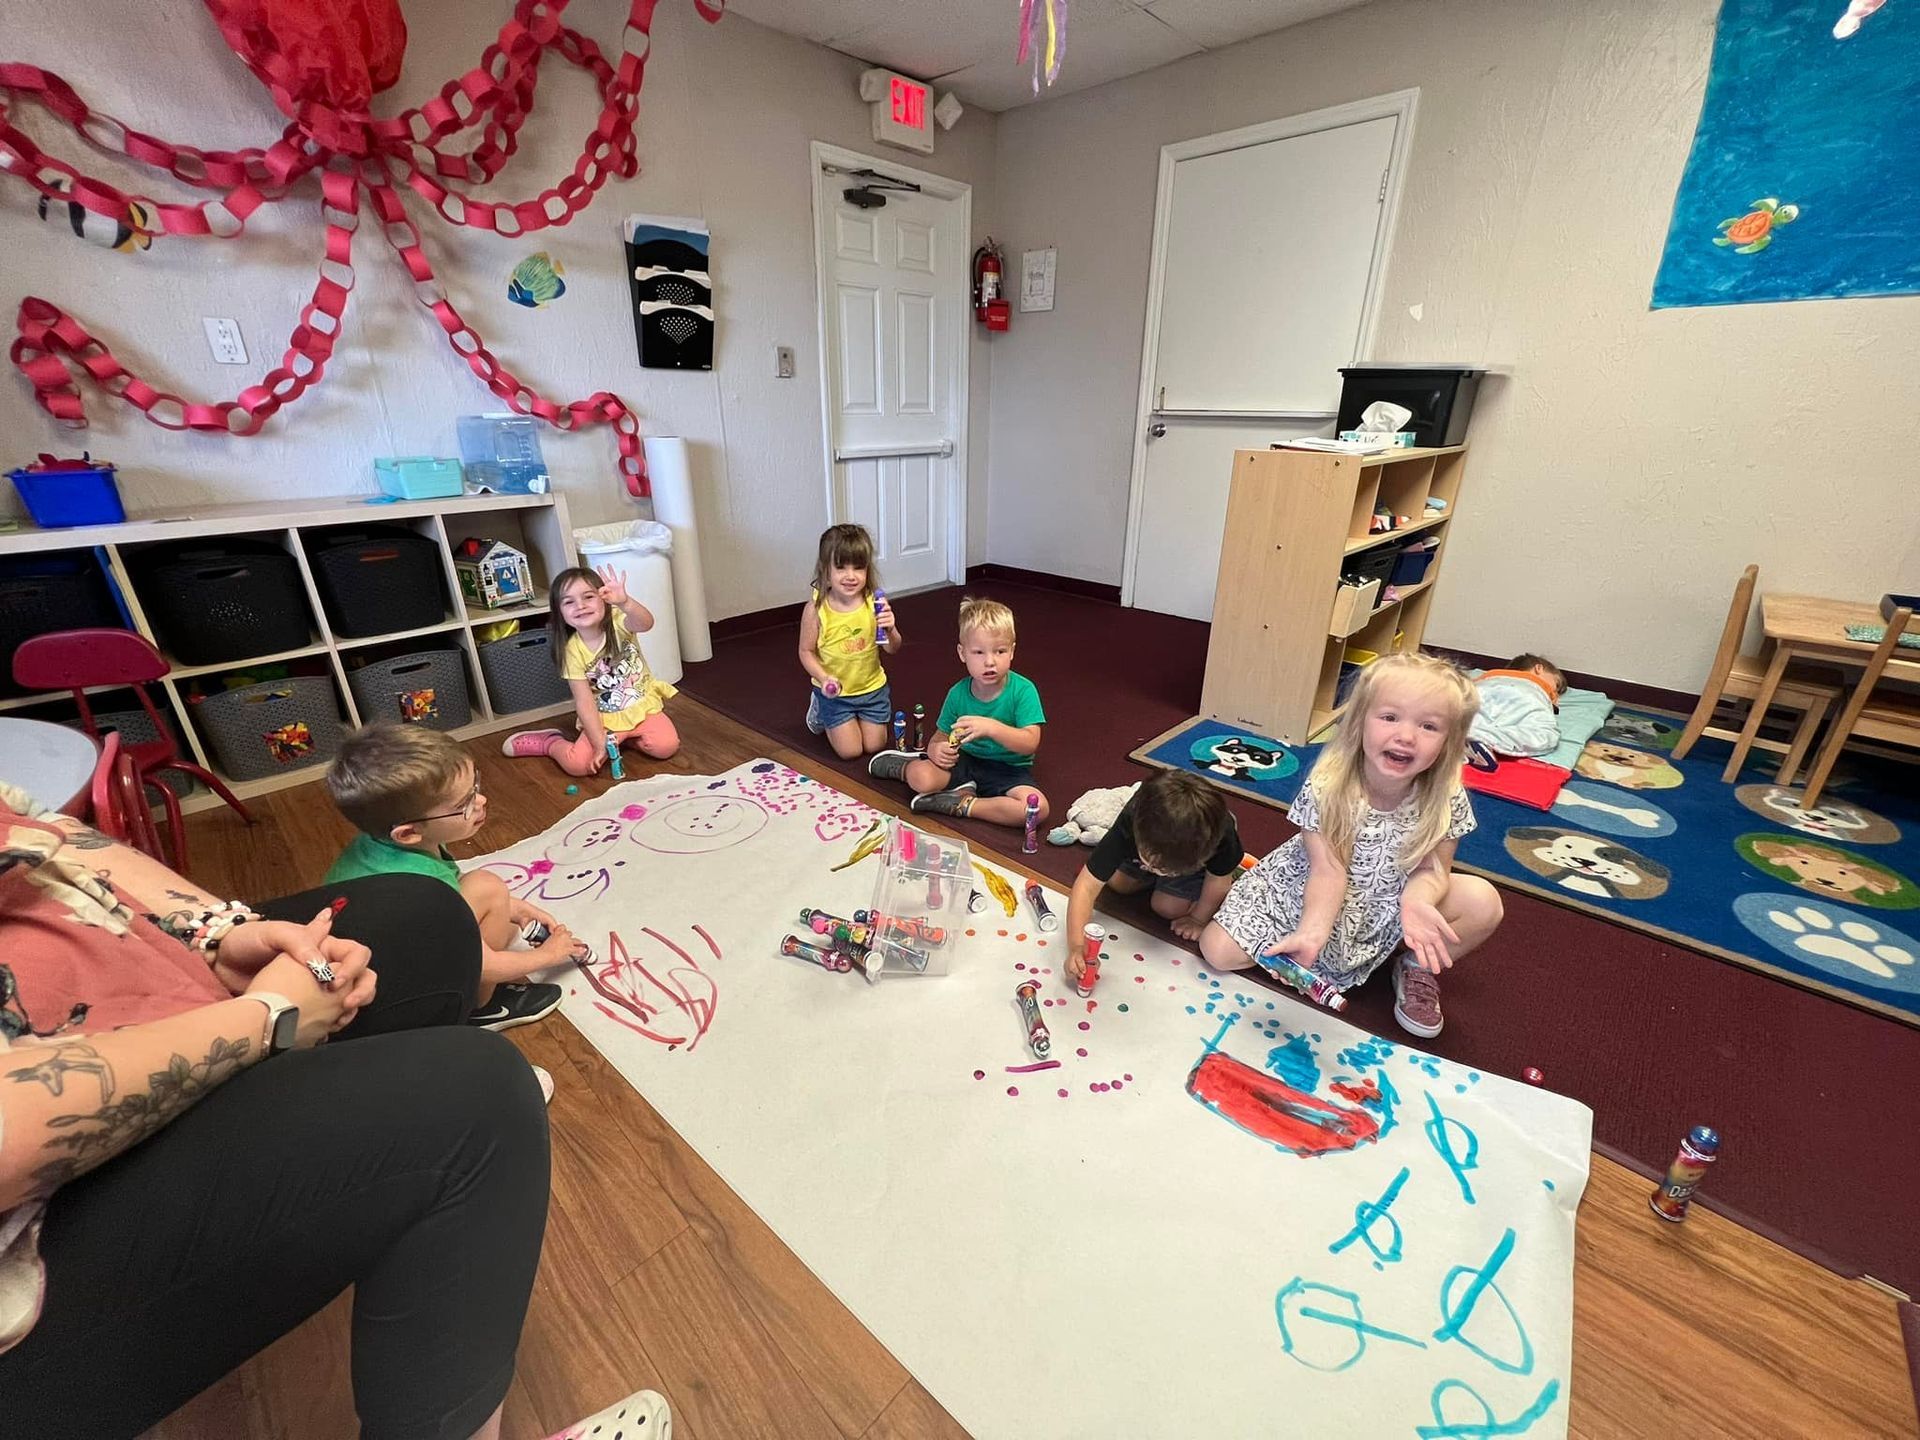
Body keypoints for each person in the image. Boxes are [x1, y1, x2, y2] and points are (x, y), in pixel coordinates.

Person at [0, 780, 572, 1438]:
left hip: (141, 1015)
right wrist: (262, 1020)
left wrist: (223, 936)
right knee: (479, 1099)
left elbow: (47, 831)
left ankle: (392, 1206)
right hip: (34, 1228)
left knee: (427, 915)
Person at [1199, 652, 1504, 1037]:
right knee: (1217, 951)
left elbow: (1434, 868)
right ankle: (1307, 948)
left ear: (1450, 741)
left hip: (1392, 898)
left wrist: (1418, 900)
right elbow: (1329, 871)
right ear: (1360, 721)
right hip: (1310, 893)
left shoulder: (1446, 796)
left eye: (1429, 726)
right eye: (1390, 717)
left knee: (1484, 902)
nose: (1406, 736)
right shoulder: (1329, 787)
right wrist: (1313, 930)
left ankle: (1413, 968)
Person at [325, 724, 577, 1031]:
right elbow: (487, 965)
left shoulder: (381, 841)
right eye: (465, 804)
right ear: (408, 833)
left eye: (476, 786)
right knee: (487, 888)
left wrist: (518, 909)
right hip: (401, 1002)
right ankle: (478, 1009)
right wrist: (549, 956)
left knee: (493, 901)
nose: (482, 801)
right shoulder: (423, 887)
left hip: (375, 966)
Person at [867, 596, 1049, 828]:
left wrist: (992, 728)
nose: (990, 662)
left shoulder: (1023, 690)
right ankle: (903, 766)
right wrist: (936, 751)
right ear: (962, 654)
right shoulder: (958, 693)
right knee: (922, 778)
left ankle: (963, 804)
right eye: (979, 653)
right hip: (964, 759)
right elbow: (940, 737)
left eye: (1000, 651)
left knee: (1036, 810)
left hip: (1008, 769)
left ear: (1012, 651)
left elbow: (1030, 743)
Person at [501, 565, 679, 776]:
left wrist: (625, 602)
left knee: (666, 746)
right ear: (560, 613)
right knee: (578, 766)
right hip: (605, 719)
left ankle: (625, 740)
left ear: (603, 598)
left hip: (642, 708)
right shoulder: (572, 651)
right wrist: (598, 744)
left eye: (588, 597)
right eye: (569, 602)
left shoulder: (618, 621)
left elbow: (646, 623)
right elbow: (584, 702)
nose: (580, 606)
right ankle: (550, 743)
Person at [1063, 771, 1244, 975]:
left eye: (1166, 870)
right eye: (1153, 865)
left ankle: (1185, 874)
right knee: (1119, 883)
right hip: (1156, 840)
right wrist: (1077, 946)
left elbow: (1218, 881)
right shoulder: (1132, 819)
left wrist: (1198, 919)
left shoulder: (1222, 837)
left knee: (1167, 907)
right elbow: (1087, 885)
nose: (1159, 871)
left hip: (1194, 852)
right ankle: (1152, 869)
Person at [797, 523, 901, 759]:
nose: (851, 576)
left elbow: (893, 648)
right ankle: (819, 710)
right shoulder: (816, 610)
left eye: (859, 567)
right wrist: (823, 678)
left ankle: (853, 718)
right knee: (850, 752)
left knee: (874, 745)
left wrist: (891, 628)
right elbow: (805, 651)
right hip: (836, 694)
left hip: (872, 690)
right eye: (841, 567)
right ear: (826, 570)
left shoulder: (874, 604)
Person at [1467, 652, 1567, 759]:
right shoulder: (1535, 689)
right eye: (1556, 686)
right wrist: (1550, 701)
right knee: (1544, 735)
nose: (1554, 694)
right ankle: (1480, 736)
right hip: (1524, 695)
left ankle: (1459, 732)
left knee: (1469, 714)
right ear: (1538, 668)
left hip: (1479, 690)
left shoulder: (1488, 677)